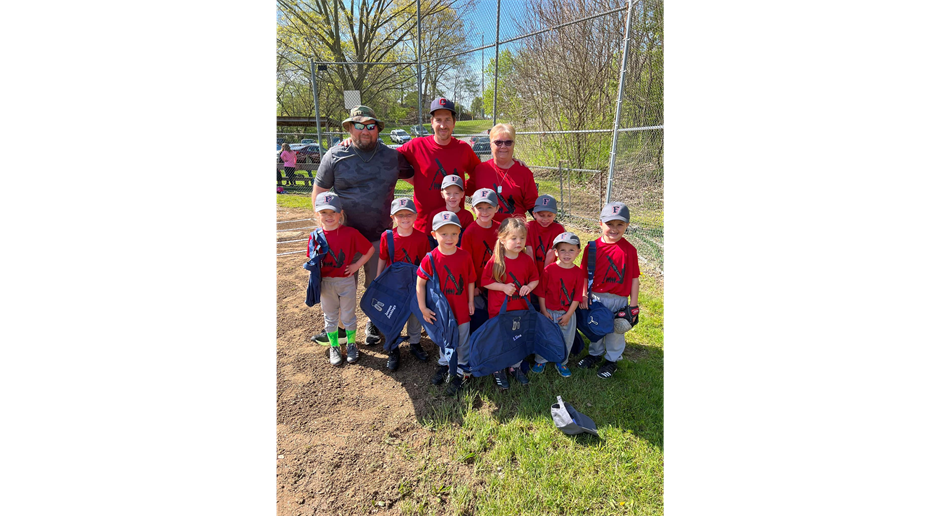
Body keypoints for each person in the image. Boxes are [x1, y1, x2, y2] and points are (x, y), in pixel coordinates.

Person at [312, 105, 415, 347]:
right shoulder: (335, 155)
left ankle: (374, 323)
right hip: (343, 238)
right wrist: (322, 228)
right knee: (339, 285)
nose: (364, 131)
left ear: (378, 130)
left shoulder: (392, 157)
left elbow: (417, 178)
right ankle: (335, 329)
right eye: (358, 126)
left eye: (370, 126)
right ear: (349, 128)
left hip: (379, 236)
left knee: (376, 284)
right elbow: (319, 191)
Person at [396, 97, 482, 243]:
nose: (443, 125)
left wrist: (463, 190)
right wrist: (413, 179)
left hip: (453, 229)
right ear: (432, 122)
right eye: (439, 120)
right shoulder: (417, 145)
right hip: (424, 227)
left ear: (454, 123)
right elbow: (390, 158)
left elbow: (480, 172)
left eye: (447, 120)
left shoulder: (463, 149)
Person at [576, 202, 641, 379]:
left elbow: (635, 279)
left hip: (618, 299)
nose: (614, 229)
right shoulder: (592, 248)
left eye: (620, 224)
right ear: (600, 223)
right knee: (596, 328)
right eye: (609, 224)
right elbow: (583, 274)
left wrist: (633, 306)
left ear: (627, 225)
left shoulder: (630, 251)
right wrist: (583, 294)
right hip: (596, 297)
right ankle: (595, 354)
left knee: (615, 331)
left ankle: (612, 359)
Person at [416, 211, 476, 396]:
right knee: (444, 338)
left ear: (460, 234)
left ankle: (462, 370)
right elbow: (420, 282)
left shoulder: (464, 256)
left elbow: (470, 280)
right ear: (434, 235)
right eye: (444, 234)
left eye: (454, 234)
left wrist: (471, 301)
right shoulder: (431, 258)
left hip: (461, 308)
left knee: (462, 339)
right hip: (442, 310)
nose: (449, 238)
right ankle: (445, 364)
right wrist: (422, 307)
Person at [312, 192, 375, 366]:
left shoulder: (350, 233)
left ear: (341, 213)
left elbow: (369, 249)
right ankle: (334, 346)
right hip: (326, 283)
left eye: (333, 212)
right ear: (318, 214)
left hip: (346, 282)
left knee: (348, 316)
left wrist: (356, 266)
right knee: (330, 316)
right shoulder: (315, 236)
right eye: (324, 213)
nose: (329, 216)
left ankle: (352, 344)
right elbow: (313, 260)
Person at [480, 217, 539, 390]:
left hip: (520, 310)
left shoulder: (527, 260)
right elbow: (485, 281)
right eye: (514, 238)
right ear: (503, 239)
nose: (519, 242)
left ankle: (515, 366)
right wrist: (503, 287)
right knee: (500, 340)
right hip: (499, 311)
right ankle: (498, 369)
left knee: (517, 339)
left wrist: (528, 286)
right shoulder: (497, 261)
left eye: (522, 238)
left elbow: (535, 279)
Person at [376, 198, 432, 370]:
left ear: (415, 216)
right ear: (393, 217)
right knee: (392, 315)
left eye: (409, 214)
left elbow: (426, 263)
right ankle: (393, 347)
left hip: (414, 284)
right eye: (400, 215)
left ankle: (415, 342)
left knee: (415, 314)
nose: (405, 218)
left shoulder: (422, 238)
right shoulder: (388, 236)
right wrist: (378, 280)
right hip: (394, 285)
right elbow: (383, 258)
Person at [532, 232, 584, 377]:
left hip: (567, 313)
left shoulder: (578, 273)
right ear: (556, 252)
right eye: (562, 250)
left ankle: (562, 361)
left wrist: (568, 315)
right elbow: (541, 292)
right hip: (548, 311)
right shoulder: (549, 270)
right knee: (545, 336)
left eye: (571, 250)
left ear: (578, 252)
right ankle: (540, 360)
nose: (567, 254)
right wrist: (543, 310)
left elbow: (577, 297)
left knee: (566, 338)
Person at [470, 123, 538, 224]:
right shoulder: (481, 169)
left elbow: (532, 205)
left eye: (508, 142)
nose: (503, 146)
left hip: (514, 233)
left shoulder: (524, 172)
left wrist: (551, 225)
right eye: (498, 142)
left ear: (513, 144)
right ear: (490, 145)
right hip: (486, 230)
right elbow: (460, 192)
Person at [459, 188, 501, 330]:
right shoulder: (469, 233)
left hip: (497, 281)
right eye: (480, 208)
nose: (484, 212)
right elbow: (466, 263)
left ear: (497, 208)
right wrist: (473, 286)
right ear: (472, 209)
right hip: (477, 284)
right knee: (479, 316)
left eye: (489, 207)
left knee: (497, 314)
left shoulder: (500, 229)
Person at [428, 175, 475, 247]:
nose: (452, 197)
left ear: (462, 194)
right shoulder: (435, 214)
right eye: (448, 193)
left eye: (456, 193)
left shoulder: (467, 216)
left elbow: (468, 240)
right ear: (442, 194)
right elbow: (429, 238)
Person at [525, 194, 567, 271]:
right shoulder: (529, 226)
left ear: (555, 215)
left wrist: (545, 273)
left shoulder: (558, 229)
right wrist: (532, 272)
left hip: (550, 269)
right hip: (531, 266)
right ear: (534, 214)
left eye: (549, 215)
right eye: (542, 215)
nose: (545, 219)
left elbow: (551, 253)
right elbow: (529, 250)